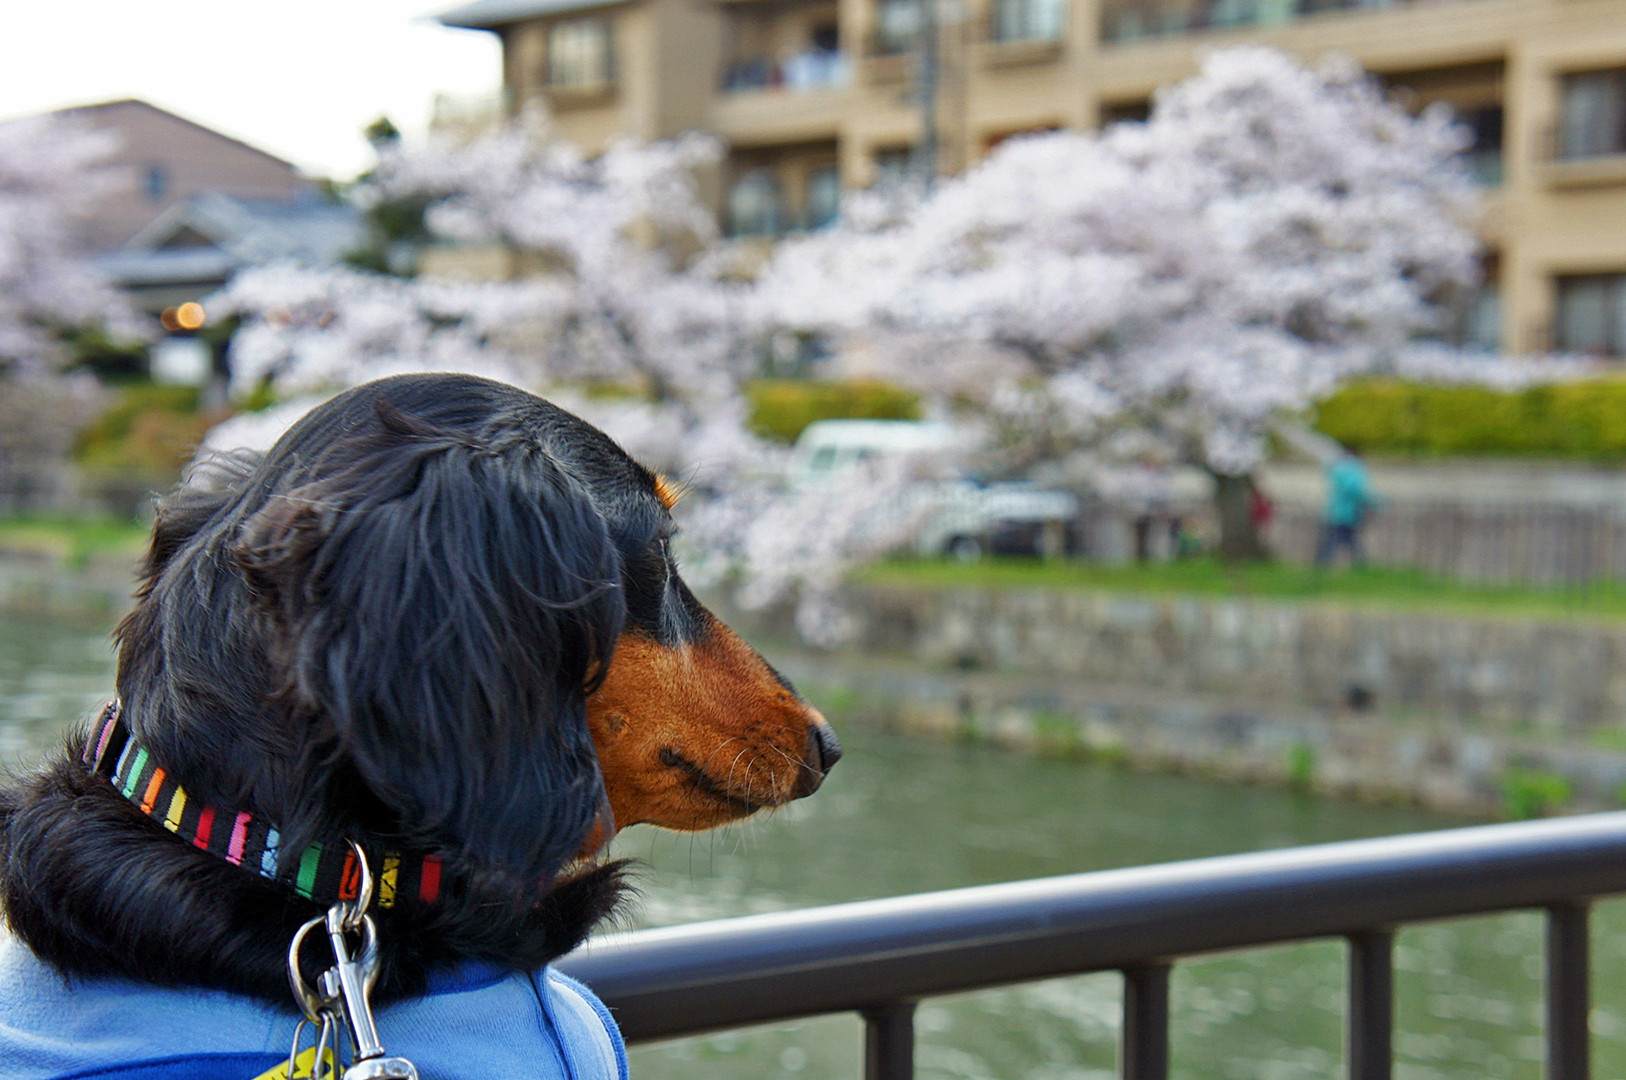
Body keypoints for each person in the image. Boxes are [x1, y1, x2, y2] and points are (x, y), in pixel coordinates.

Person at [1316, 446, 1374, 568]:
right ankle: (1359, 565)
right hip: (1347, 513)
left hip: (1337, 512)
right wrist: (1376, 503)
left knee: (1338, 541)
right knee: (1344, 541)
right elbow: (1356, 490)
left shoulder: (1338, 468)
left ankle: (1322, 565)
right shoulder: (1353, 468)